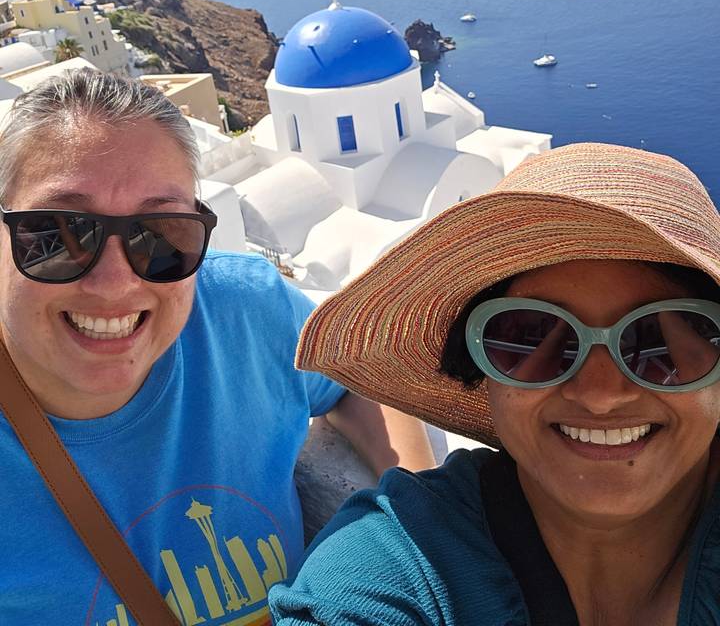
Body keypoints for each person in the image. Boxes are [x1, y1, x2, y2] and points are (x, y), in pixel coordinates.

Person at [0, 68, 434, 625]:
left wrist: (421, 505)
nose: (114, 283)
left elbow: (360, 374)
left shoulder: (243, 311)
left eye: (161, 234)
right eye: (57, 233)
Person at [270, 143, 720, 626]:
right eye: (531, 340)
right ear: (479, 368)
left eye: (658, 343)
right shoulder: (391, 564)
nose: (601, 394)